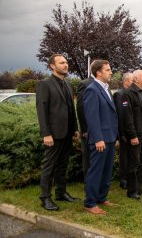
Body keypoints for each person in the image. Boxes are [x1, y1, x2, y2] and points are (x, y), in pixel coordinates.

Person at [36, 54, 80, 211]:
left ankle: (61, 193)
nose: (66, 65)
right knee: (49, 166)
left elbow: (70, 108)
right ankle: (45, 198)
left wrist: (75, 128)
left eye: (66, 62)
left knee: (63, 164)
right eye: (62, 63)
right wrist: (46, 134)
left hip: (67, 133)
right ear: (52, 66)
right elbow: (42, 111)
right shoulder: (45, 85)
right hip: (53, 134)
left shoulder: (68, 84)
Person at [83, 60, 118, 215]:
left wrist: (115, 136)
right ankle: (90, 203)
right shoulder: (92, 89)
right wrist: (98, 138)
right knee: (96, 171)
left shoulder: (106, 89)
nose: (111, 72)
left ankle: (101, 197)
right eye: (108, 70)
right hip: (100, 139)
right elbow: (92, 117)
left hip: (110, 137)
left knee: (106, 171)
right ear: (99, 72)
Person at [122, 70, 142, 200]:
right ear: (135, 79)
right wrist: (132, 135)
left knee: (141, 163)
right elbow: (127, 117)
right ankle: (132, 190)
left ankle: (139, 188)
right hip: (135, 135)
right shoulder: (128, 94)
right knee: (133, 163)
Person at [113, 72, 135, 189]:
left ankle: (131, 177)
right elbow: (119, 115)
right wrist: (120, 134)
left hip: (133, 131)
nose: (134, 83)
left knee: (132, 156)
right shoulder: (119, 95)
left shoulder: (133, 94)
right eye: (132, 80)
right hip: (124, 132)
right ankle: (123, 179)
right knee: (124, 156)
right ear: (126, 82)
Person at [76, 72, 94, 179]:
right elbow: (81, 107)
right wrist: (84, 129)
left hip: (100, 129)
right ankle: (88, 182)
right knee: (88, 156)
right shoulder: (85, 84)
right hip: (88, 129)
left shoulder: (104, 85)